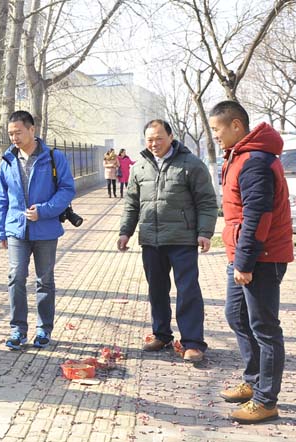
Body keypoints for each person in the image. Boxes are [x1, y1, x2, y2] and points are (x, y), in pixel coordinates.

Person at [209, 101, 293, 424]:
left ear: (236, 126)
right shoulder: (239, 156)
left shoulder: (255, 161)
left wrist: (244, 263)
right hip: (242, 254)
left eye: (217, 129)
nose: (215, 135)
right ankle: (253, 380)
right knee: (236, 316)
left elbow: (257, 217)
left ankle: (266, 400)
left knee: (265, 328)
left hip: (261, 257)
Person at [117, 119, 217, 362]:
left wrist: (205, 232)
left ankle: (193, 343)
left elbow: (206, 201)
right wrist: (125, 232)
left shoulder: (191, 164)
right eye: (150, 139)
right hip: (151, 240)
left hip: (182, 239)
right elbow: (131, 204)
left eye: (159, 138)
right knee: (157, 289)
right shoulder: (139, 167)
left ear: (171, 137)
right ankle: (161, 334)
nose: (154, 143)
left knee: (188, 290)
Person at [0, 110, 75, 351]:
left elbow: (67, 189)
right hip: (16, 229)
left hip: (46, 229)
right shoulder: (7, 159)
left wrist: (44, 210)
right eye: (11, 134)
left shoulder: (53, 157)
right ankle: (18, 329)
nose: (14, 138)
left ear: (32, 130)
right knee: (16, 277)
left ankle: (44, 329)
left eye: (18, 132)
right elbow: (2, 198)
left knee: (45, 280)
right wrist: (1, 230)